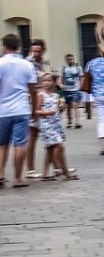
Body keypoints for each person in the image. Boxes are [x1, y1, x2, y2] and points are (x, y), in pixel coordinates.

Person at [0, 34, 38, 189]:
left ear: (4, 46)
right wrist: (34, 108)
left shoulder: (0, 63)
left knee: (2, 145)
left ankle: (1, 174)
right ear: (19, 47)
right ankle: (17, 178)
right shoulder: (27, 65)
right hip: (21, 108)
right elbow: (33, 90)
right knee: (20, 144)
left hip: (2, 110)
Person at [35, 72, 75, 181]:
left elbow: (59, 110)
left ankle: (45, 173)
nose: (46, 83)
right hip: (46, 124)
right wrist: (47, 112)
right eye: (44, 81)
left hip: (56, 123)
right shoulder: (41, 95)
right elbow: (37, 110)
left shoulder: (57, 96)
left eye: (49, 80)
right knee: (60, 146)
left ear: (54, 82)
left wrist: (62, 109)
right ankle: (65, 172)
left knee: (50, 149)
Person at [24, 39, 48, 176]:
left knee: (49, 133)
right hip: (32, 100)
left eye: (39, 51)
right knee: (32, 135)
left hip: (45, 98)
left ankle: (56, 166)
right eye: (34, 51)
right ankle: (30, 168)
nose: (36, 54)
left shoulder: (45, 62)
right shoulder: (27, 63)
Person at [60, 53, 83, 128]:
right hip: (66, 89)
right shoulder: (63, 68)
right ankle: (69, 121)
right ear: (66, 60)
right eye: (69, 59)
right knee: (68, 106)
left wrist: (81, 86)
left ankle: (77, 122)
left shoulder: (78, 68)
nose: (71, 61)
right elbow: (61, 78)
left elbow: (81, 77)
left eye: (72, 59)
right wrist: (61, 85)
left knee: (75, 105)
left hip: (76, 89)